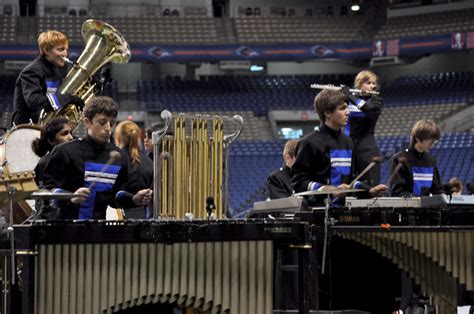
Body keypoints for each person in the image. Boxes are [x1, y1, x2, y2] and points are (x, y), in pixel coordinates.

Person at [43, 96, 152, 219]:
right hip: (65, 231)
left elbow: (114, 198)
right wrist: (70, 197)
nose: (108, 128)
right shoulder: (65, 152)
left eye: (111, 123)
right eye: (102, 122)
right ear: (87, 122)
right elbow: (47, 193)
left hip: (99, 232)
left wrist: (133, 199)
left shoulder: (118, 157)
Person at [291, 88, 387, 205]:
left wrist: (369, 191)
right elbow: (298, 182)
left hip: (341, 213)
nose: (348, 112)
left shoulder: (348, 142)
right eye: (342, 108)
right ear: (327, 113)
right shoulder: (309, 142)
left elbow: (351, 182)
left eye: (347, 107)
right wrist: (325, 189)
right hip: (315, 212)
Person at [13, 30, 84, 125]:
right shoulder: (31, 71)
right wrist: (68, 99)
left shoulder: (57, 70)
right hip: (27, 130)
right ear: (46, 50)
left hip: (48, 129)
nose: (65, 54)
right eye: (60, 49)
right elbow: (35, 102)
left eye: (66, 50)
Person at [342, 70, 384, 185]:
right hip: (348, 146)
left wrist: (350, 96)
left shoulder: (377, 102)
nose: (372, 86)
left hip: (367, 149)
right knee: (346, 183)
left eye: (373, 83)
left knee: (368, 184)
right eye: (368, 83)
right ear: (359, 85)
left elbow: (368, 109)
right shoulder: (348, 100)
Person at [389, 119, 445, 197]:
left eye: (434, 142)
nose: (432, 145)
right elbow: (397, 192)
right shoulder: (399, 159)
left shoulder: (431, 160)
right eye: (430, 142)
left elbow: (438, 190)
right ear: (418, 138)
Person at [114, 120, 154, 218]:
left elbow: (111, 194)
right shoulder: (148, 160)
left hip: (120, 217)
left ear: (118, 138)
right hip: (145, 217)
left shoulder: (116, 159)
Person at [32, 116, 73, 186]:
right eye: (65, 133)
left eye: (71, 133)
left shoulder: (75, 158)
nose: (71, 137)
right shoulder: (43, 164)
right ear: (51, 140)